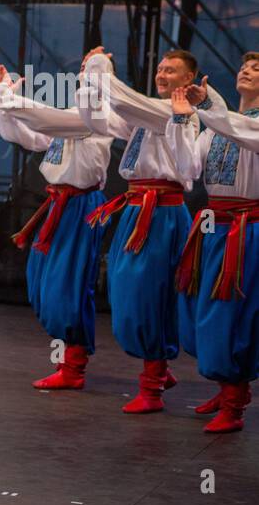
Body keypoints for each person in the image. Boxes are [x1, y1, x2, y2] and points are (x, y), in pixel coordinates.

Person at [75, 46, 224, 414]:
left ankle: (153, 384)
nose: (162, 74)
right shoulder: (150, 114)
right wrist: (87, 80)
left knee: (148, 296)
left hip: (160, 214)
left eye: (171, 70)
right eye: (159, 68)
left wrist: (101, 67)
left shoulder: (174, 113)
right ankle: (156, 369)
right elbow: (98, 119)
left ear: (188, 79)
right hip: (137, 209)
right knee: (127, 292)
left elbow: (123, 100)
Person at [0, 61, 112, 389]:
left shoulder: (97, 116)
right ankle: (70, 364)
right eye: (82, 69)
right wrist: (5, 99)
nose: (83, 75)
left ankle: (73, 369)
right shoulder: (72, 116)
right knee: (42, 284)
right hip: (59, 206)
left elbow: (41, 117)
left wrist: (2, 93)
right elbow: (27, 133)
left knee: (68, 289)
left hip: (80, 207)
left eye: (93, 70)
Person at [157, 54, 259, 433]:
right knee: (202, 308)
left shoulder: (237, 124)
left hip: (248, 228)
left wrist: (209, 107)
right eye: (244, 66)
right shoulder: (217, 127)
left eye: (257, 69)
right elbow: (186, 170)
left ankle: (234, 403)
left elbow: (241, 131)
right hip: (216, 224)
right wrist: (184, 118)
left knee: (232, 313)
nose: (246, 70)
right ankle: (225, 386)